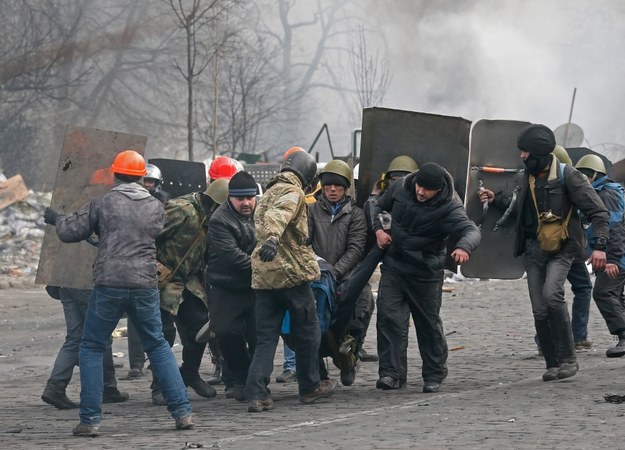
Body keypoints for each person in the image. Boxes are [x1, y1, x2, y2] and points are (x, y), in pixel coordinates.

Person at [44, 149, 193, 436]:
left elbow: (70, 232)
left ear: (115, 174)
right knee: (159, 346)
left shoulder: (103, 203)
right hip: (145, 285)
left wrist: (56, 218)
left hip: (110, 284)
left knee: (91, 347)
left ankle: (90, 420)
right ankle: (182, 412)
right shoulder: (155, 207)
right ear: (141, 177)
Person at [479, 124, 609, 382]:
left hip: (563, 248)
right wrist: (496, 200)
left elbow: (599, 212)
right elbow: (520, 210)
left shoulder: (568, 176)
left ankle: (569, 359)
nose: (521, 156)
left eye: (525, 151)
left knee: (552, 295)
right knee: (539, 308)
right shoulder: (524, 178)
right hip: (533, 249)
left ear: (538, 152)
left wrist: (601, 247)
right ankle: (553, 363)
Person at [373, 162, 480, 393]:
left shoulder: (451, 207)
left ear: (438, 190)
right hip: (394, 265)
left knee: (428, 324)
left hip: (425, 272)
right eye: (419, 186)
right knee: (388, 317)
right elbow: (376, 205)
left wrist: (464, 247)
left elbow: (471, 230)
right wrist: (378, 230)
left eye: (426, 189)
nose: (420, 192)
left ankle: (434, 373)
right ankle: (391, 373)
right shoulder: (401, 187)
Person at [244, 149, 339, 412]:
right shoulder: (292, 192)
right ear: (308, 174)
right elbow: (280, 216)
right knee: (308, 333)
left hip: (264, 279)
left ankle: (256, 393)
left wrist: (270, 239)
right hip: (291, 276)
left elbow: (267, 218)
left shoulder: (266, 194)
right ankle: (310, 387)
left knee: (265, 338)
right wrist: (273, 238)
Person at [152, 178, 229, 404]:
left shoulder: (211, 220)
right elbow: (148, 235)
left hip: (189, 281)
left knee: (202, 327)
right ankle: (159, 385)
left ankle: (190, 373)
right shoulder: (181, 210)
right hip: (164, 279)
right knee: (163, 334)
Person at [307, 159, 367, 386]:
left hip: (347, 279)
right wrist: (320, 268)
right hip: (317, 276)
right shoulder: (310, 211)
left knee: (355, 321)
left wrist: (336, 272)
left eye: (338, 186)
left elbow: (356, 248)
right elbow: (305, 242)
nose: (333, 190)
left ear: (346, 187)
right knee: (312, 327)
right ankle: (318, 371)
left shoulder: (356, 215)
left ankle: (348, 362)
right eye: (329, 185)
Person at [206, 171, 258, 401]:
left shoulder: (264, 213)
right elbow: (233, 257)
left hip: (256, 287)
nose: (246, 203)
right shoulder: (220, 220)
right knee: (226, 333)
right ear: (230, 198)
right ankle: (238, 376)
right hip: (226, 286)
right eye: (240, 199)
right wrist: (268, 267)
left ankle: (255, 381)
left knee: (259, 336)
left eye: (250, 197)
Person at [41, 287, 128, 409]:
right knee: (100, 336)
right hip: (89, 284)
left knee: (74, 338)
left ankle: (55, 386)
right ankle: (107, 389)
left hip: (66, 283)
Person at [575, 154, 625, 357]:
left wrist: (612, 259)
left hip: (618, 256)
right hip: (617, 254)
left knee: (604, 293)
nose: (582, 180)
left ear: (594, 175)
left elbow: (615, 228)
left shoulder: (606, 195)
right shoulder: (599, 192)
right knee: (616, 296)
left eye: (585, 175)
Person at [126, 163, 171, 380]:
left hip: (161, 265)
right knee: (135, 318)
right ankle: (136, 363)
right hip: (137, 265)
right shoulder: (129, 202)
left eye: (152, 182)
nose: (148, 185)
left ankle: (157, 362)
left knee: (161, 318)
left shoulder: (164, 203)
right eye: (145, 181)